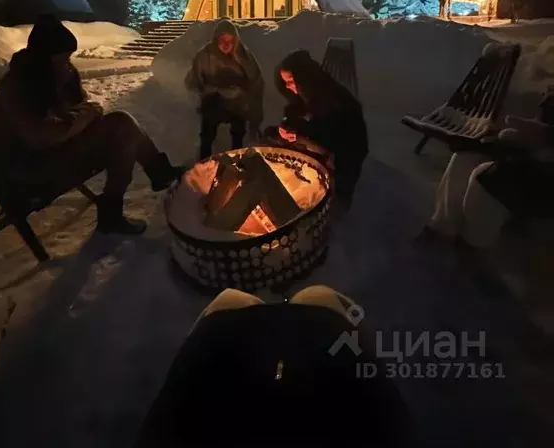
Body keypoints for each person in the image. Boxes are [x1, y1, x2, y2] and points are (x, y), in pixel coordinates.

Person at [134, 285, 408, 447]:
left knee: (231, 299)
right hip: (326, 357)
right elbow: (390, 419)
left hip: (222, 366)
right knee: (320, 296)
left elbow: (168, 416)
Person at [0, 15, 183, 235]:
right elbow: (41, 136)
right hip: (25, 168)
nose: (67, 64)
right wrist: (84, 116)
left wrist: (82, 112)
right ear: (44, 57)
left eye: (69, 58)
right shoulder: (21, 84)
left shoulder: (51, 74)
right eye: (62, 58)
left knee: (121, 129)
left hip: (50, 150)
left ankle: (150, 178)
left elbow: (76, 108)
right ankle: (122, 202)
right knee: (122, 133)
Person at [421, 89, 554, 249]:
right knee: (467, 155)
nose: (542, 103)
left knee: (486, 178)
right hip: (531, 156)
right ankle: (443, 228)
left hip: (542, 176)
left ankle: (472, 245)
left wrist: (539, 137)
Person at [271, 49, 368, 209]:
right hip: (325, 143)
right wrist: (288, 124)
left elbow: (330, 136)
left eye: (290, 81)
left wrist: (299, 135)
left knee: (334, 197)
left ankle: (333, 208)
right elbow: (294, 110)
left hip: (346, 154)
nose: (287, 87)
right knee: (273, 136)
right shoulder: (308, 92)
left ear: (303, 78)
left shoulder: (330, 99)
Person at [185, 18, 264, 160]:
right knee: (208, 128)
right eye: (223, 40)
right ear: (216, 40)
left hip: (237, 102)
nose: (227, 45)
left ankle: (237, 159)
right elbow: (193, 81)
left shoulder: (243, 55)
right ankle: (204, 160)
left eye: (230, 41)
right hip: (213, 101)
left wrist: (244, 95)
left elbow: (256, 82)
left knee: (238, 128)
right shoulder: (205, 55)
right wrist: (210, 90)